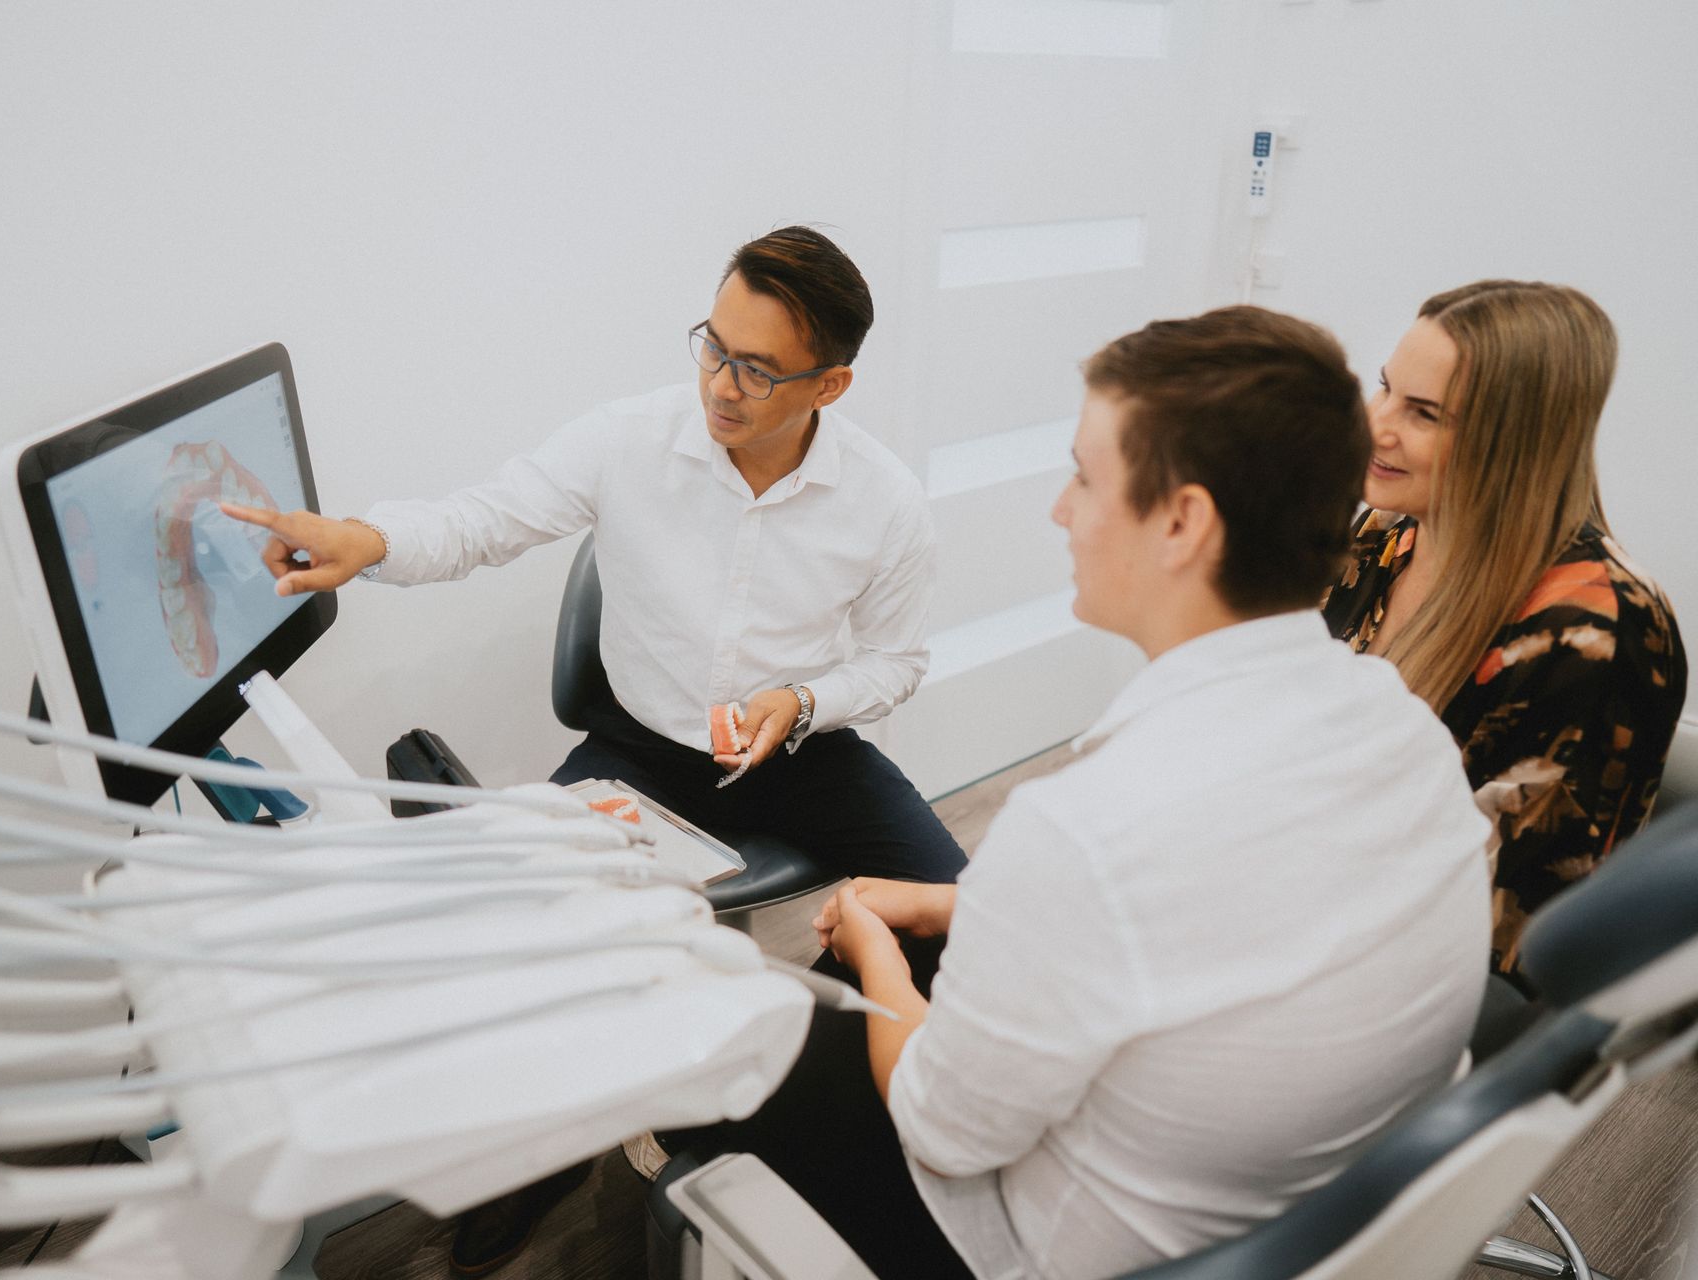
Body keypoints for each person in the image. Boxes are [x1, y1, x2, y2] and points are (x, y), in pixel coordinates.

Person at [222, 225, 967, 1274]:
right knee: (535, 939)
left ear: (830, 383)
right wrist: (370, 541)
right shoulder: (631, 440)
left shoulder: (887, 502)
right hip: (642, 749)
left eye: (758, 368)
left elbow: (896, 661)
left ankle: (886, 1131)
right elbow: (483, 520)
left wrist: (801, 698)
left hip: (805, 749)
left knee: (965, 912)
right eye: (713, 345)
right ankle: (540, 1164)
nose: (722, 383)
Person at [705, 307, 1493, 1280]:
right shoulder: (1404, 731)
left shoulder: (1087, 827)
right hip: (1302, 1215)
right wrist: (970, 905)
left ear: (1182, 521)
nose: (1060, 509)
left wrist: (875, 954)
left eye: (1085, 474)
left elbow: (938, 1126)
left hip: (1052, 1248)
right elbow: (1219, 922)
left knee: (732, 1036)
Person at [1321, 281, 1686, 974]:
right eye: (1385, 389)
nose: (1377, 425)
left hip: (1419, 978)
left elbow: (1511, 935)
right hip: (1325, 892)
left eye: (1424, 413)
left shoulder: (1599, 635)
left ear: (1517, 443)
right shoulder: (1387, 533)